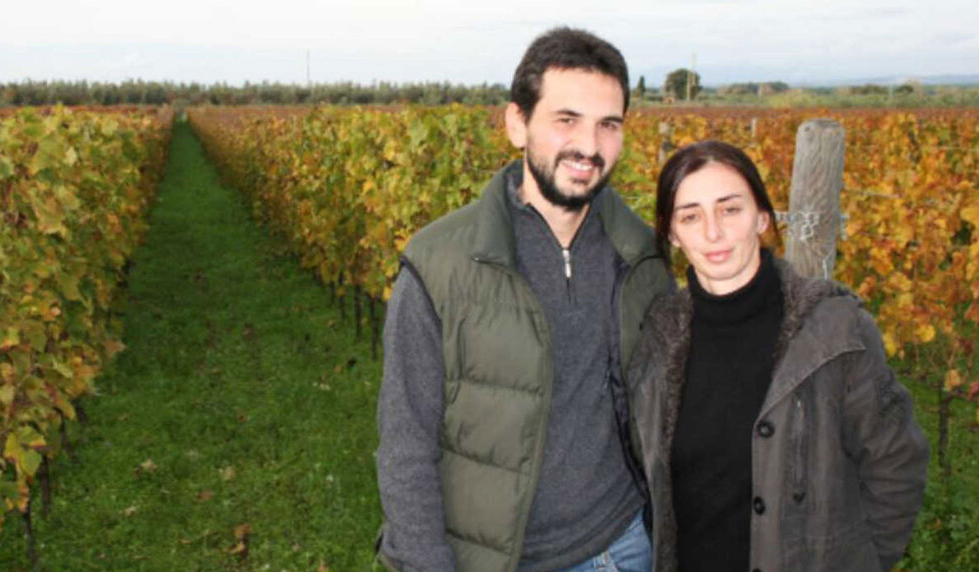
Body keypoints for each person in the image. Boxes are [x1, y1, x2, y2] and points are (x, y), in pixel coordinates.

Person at [375, 27, 674, 572]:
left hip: (628, 545)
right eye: (567, 120)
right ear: (518, 123)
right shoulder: (440, 263)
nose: (589, 146)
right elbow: (405, 444)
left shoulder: (642, 258)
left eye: (608, 125)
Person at [627, 140, 930, 572]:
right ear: (672, 234)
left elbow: (897, 463)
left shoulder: (833, 331)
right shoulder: (659, 335)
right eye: (691, 216)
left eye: (730, 209)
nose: (713, 232)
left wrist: (861, 561)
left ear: (762, 217)